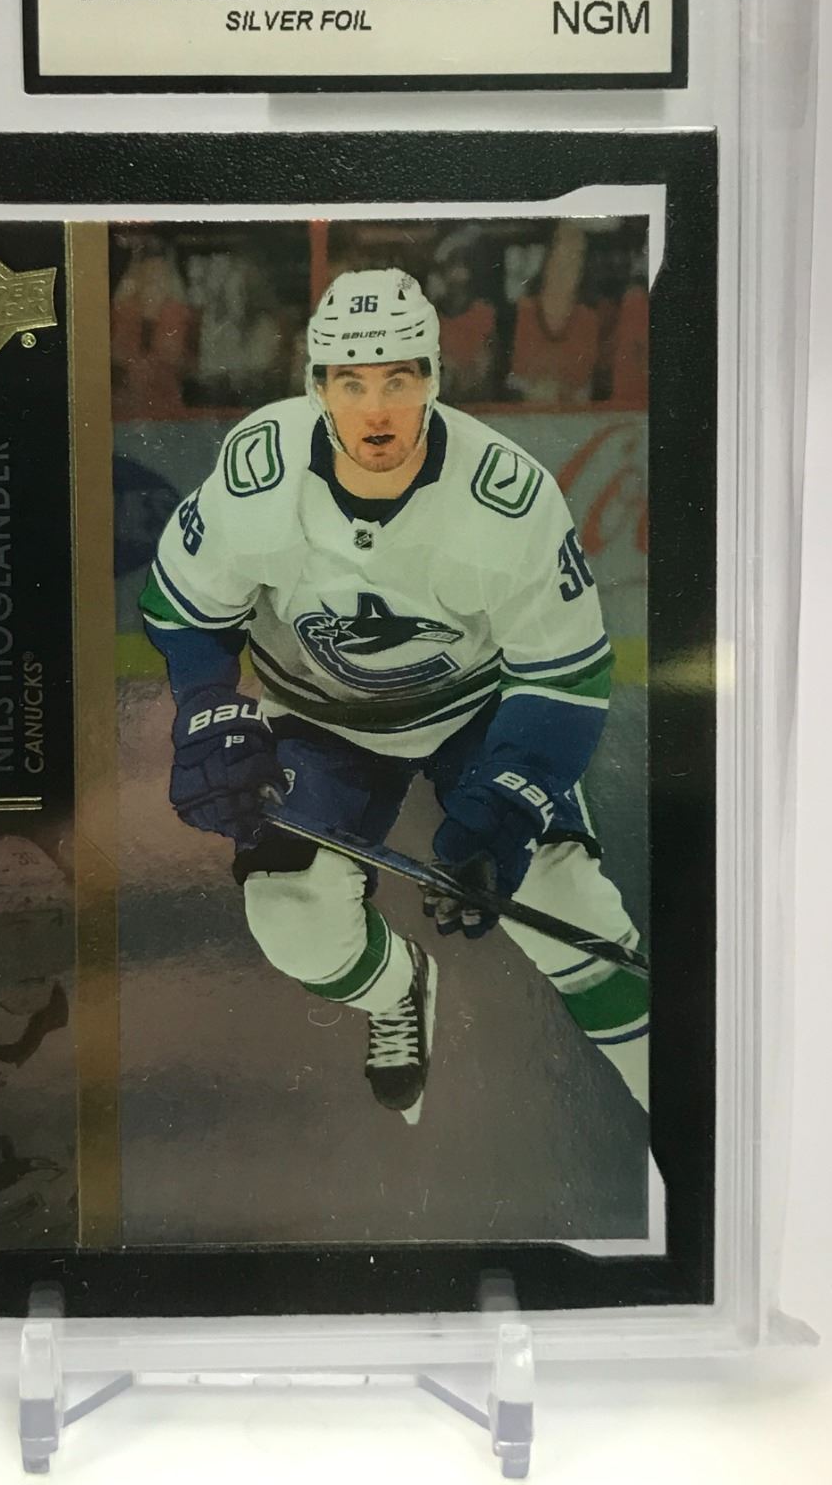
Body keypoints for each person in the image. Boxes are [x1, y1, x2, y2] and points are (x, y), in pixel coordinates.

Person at [140, 269, 648, 1125]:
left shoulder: (508, 497)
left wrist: (506, 807)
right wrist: (205, 711)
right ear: (317, 387)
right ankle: (396, 990)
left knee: (567, 906)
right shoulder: (260, 469)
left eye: (399, 381)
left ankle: (687, 1122)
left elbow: (563, 675)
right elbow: (185, 610)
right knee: (290, 915)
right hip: (319, 717)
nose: (376, 411)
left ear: (434, 380)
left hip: (473, 716)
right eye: (352, 384)